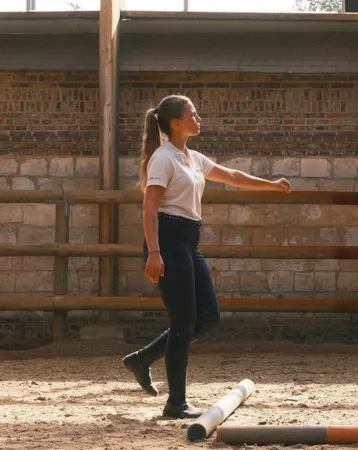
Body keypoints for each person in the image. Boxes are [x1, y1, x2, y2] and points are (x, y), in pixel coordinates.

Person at [121, 94, 291, 419]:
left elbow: (233, 177)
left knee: (207, 317)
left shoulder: (193, 158)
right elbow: (149, 208)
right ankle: (176, 403)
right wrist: (154, 252)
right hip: (167, 240)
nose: (199, 119)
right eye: (193, 114)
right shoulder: (163, 159)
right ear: (176, 122)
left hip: (188, 240)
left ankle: (142, 360)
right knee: (183, 323)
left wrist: (270, 184)